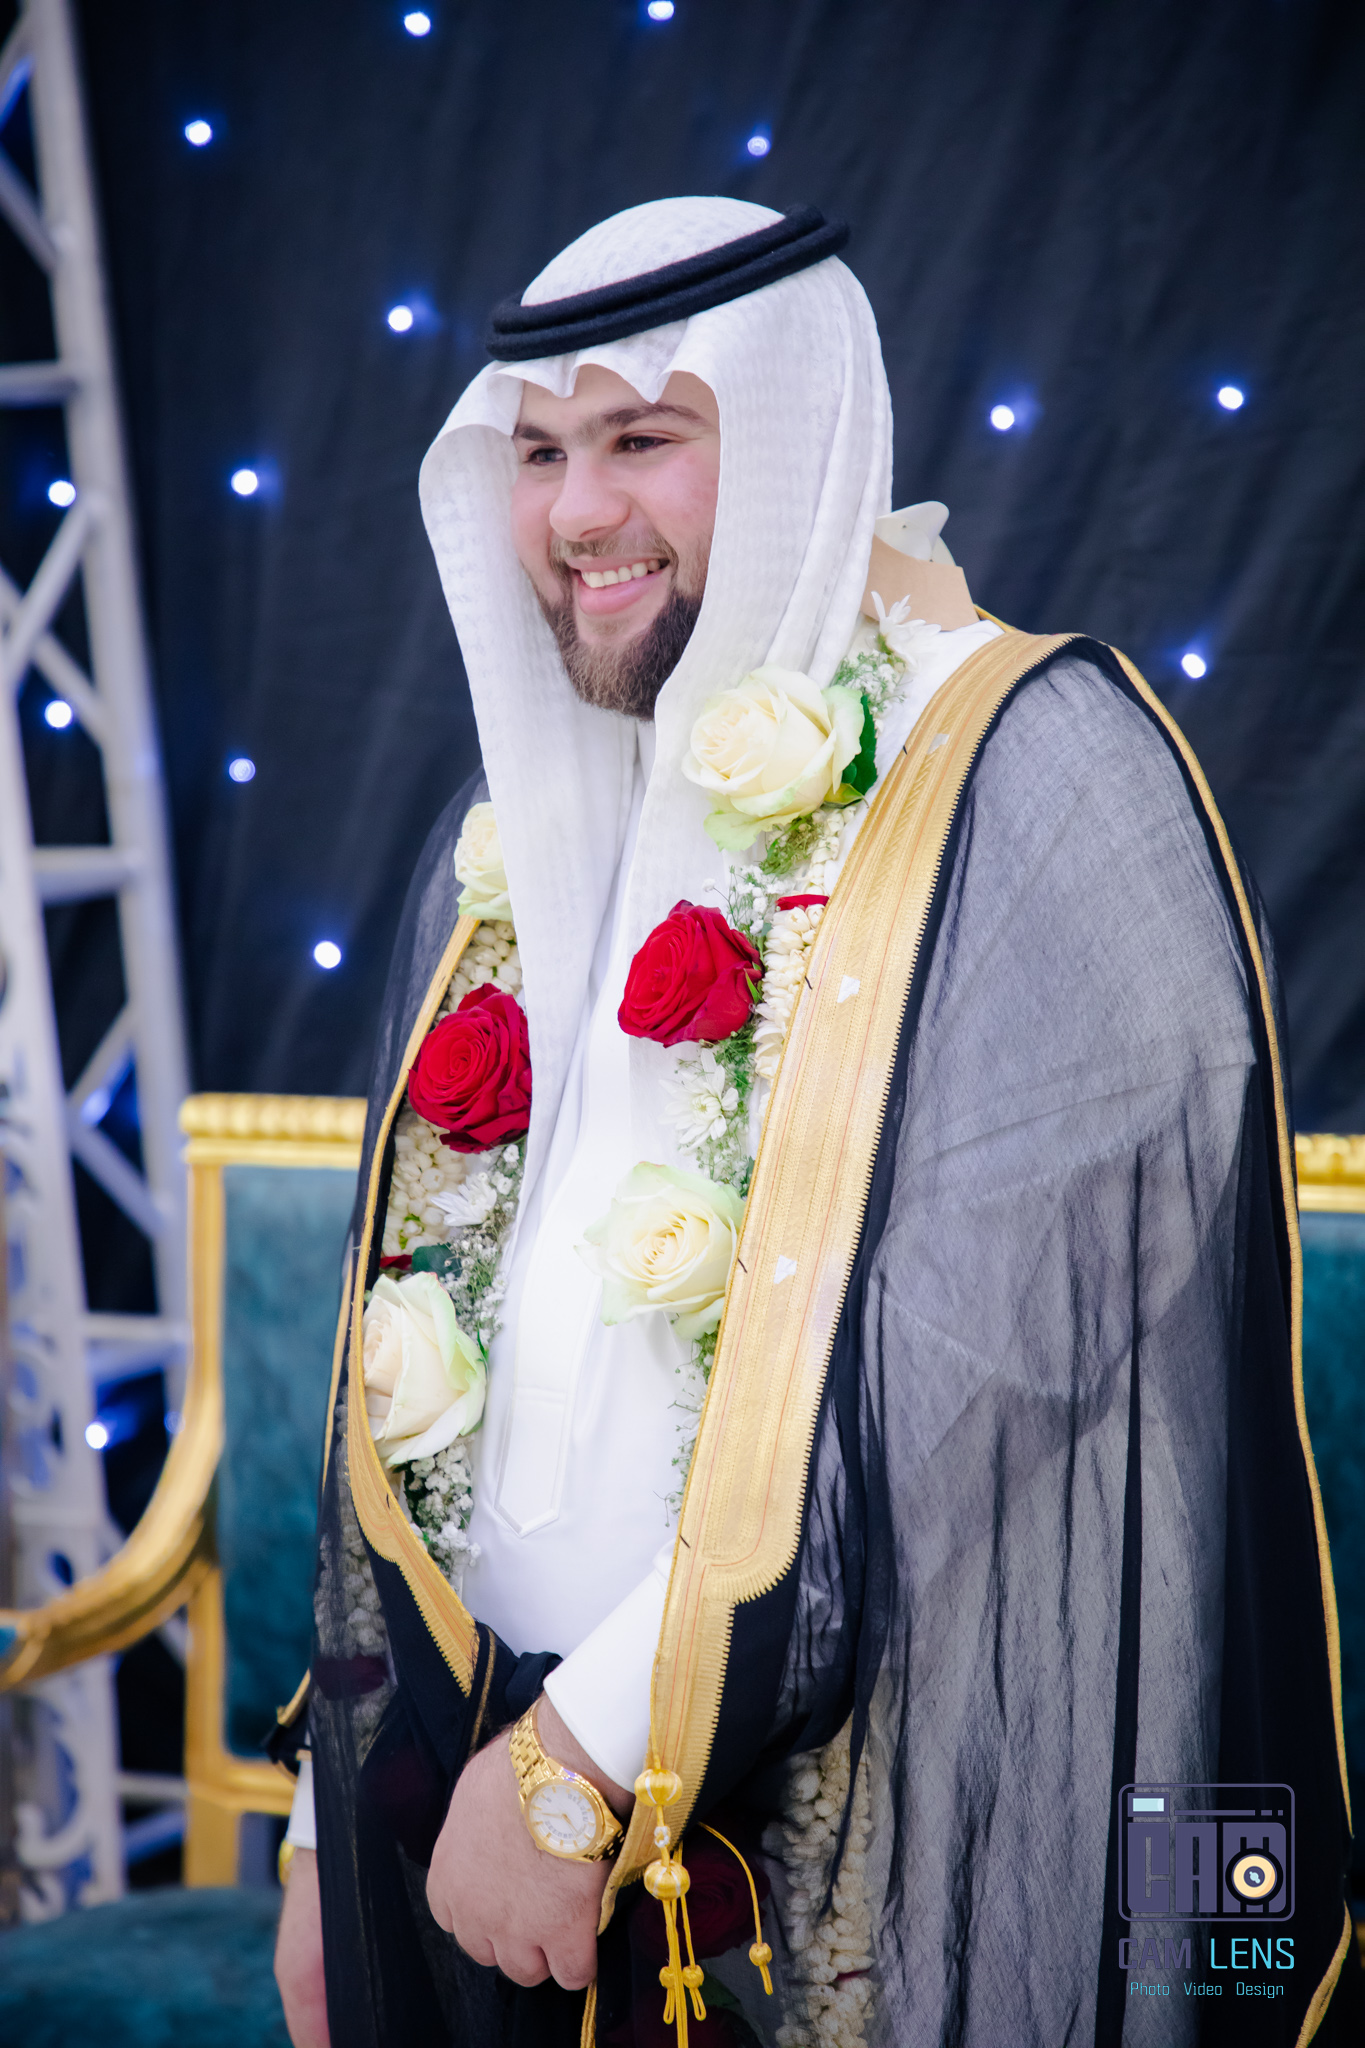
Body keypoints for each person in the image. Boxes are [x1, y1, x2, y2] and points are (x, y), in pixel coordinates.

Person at [274, 197, 1354, 2048]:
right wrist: (326, 1823)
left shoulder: (1032, 770)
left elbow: (985, 1370)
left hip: (832, 1842)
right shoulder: (516, 820)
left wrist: (576, 1761)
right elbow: (426, 1308)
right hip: (458, 1807)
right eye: (536, 453)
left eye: (642, 438)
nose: (578, 512)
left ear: (790, 431)